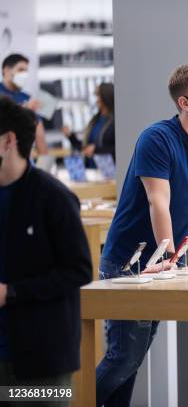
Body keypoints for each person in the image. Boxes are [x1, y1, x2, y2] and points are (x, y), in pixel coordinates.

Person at [96, 62, 188, 406]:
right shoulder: (157, 138)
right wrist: (166, 255)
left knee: (129, 362)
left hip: (163, 262)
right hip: (131, 260)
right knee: (122, 358)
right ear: (185, 103)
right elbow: (157, 201)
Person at [0, 97, 92, 403]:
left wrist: (11, 292)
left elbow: (78, 270)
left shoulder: (53, 197)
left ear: (8, 141)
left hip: (41, 358)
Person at [0, 54, 48, 156]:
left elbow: (39, 134)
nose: (24, 75)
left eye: (26, 71)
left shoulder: (26, 98)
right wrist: (24, 109)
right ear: (6, 70)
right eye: (21, 70)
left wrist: (44, 163)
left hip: (22, 160)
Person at [63, 82, 116, 165]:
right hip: (91, 170)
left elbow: (117, 149)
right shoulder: (95, 120)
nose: (96, 99)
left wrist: (96, 150)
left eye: (98, 96)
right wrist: (70, 136)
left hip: (109, 171)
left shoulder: (115, 122)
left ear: (106, 97)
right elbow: (85, 147)